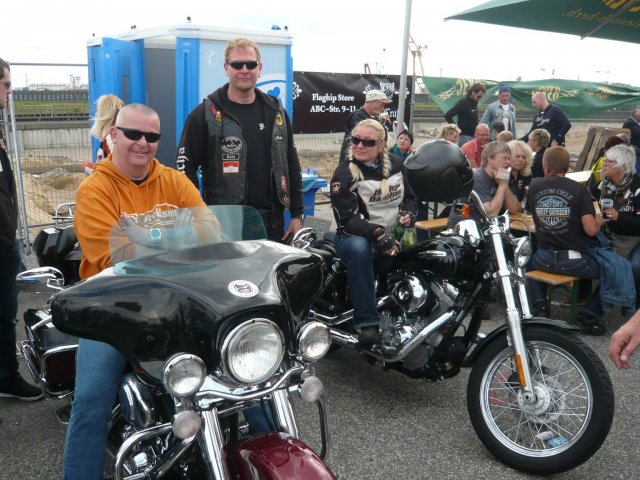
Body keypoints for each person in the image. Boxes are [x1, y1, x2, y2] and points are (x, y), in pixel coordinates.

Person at [62, 104, 219, 479]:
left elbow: (211, 231)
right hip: (111, 305)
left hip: (176, 297)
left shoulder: (173, 181)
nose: (142, 143)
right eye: (133, 134)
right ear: (114, 135)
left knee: (240, 370)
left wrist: (144, 235)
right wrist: (179, 236)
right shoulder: (95, 189)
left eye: (152, 136)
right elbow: (111, 257)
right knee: (91, 402)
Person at [177, 37, 303, 243]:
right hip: (224, 224)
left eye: (251, 64)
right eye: (237, 65)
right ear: (226, 68)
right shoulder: (205, 114)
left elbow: (291, 162)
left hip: (271, 224)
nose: (245, 70)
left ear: (259, 68)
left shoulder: (275, 111)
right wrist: (198, 214)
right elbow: (183, 168)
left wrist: (297, 214)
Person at [330, 119, 417, 345]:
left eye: (367, 142)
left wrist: (409, 213)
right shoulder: (344, 174)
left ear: (381, 144)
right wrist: (378, 233)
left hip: (392, 235)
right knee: (359, 248)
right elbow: (347, 220)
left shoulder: (397, 164)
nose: (359, 146)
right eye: (355, 140)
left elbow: (410, 198)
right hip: (353, 237)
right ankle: (367, 322)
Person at [526, 146, 615, 334]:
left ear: (545, 166)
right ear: (567, 167)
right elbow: (591, 230)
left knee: (528, 260)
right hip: (574, 261)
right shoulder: (579, 190)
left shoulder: (534, 186)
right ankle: (588, 316)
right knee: (613, 271)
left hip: (543, 258)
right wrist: (600, 219)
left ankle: (540, 307)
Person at [0, 58, 43, 401]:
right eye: (5, 84)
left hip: (5, 240)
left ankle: (5, 375)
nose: (10, 91)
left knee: (5, 315)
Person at [589, 144, 640, 310]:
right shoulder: (604, 184)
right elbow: (588, 197)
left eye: (609, 161)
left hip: (635, 240)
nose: (604, 163)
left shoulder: (637, 189)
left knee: (634, 266)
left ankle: (633, 310)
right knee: (584, 254)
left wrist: (619, 217)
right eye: (605, 160)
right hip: (611, 237)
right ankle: (584, 300)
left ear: (622, 167)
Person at [448, 141, 520, 226]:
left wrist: (504, 184)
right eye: (504, 158)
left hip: (484, 227)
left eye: (509, 159)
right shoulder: (477, 177)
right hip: (464, 228)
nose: (508, 162)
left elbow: (514, 209)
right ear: (490, 159)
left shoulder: (501, 178)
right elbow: (490, 213)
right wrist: (502, 185)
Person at [339, 89, 392, 162]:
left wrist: (381, 122)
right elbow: (368, 137)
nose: (383, 109)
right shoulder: (357, 116)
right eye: (382, 105)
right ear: (373, 102)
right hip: (352, 162)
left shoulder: (366, 117)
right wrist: (380, 123)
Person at [79, 94, 124, 174]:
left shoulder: (111, 139)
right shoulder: (117, 136)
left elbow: (114, 174)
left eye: (98, 111)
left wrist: (88, 166)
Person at [444, 82, 486, 146]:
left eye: (481, 97)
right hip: (465, 137)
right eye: (478, 96)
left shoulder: (474, 102)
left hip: (473, 136)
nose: (479, 98)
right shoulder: (463, 102)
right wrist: (455, 128)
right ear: (473, 92)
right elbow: (448, 115)